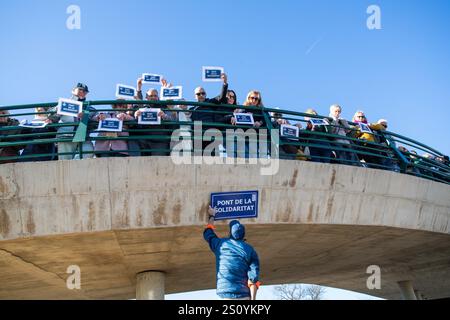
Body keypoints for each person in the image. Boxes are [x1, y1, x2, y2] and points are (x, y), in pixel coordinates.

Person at [203, 206, 260, 300]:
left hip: (225, 294)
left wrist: (212, 216)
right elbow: (253, 278)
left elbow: (208, 233)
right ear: (243, 235)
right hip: (243, 295)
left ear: (230, 233)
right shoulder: (250, 250)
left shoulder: (220, 244)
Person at [49, 82, 96, 160]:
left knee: (88, 151)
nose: (82, 92)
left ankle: (75, 165)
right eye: (80, 89)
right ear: (73, 91)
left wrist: (88, 118)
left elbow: (95, 124)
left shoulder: (90, 108)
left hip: (84, 137)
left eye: (85, 91)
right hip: (66, 135)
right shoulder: (64, 103)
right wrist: (56, 110)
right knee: (65, 160)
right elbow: (51, 117)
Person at [132, 78, 177, 156]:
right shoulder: (143, 108)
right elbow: (138, 103)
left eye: (155, 96)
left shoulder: (163, 107)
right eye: (150, 96)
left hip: (159, 141)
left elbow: (173, 120)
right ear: (146, 97)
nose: (153, 97)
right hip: (144, 140)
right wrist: (136, 115)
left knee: (160, 163)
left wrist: (164, 116)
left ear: (158, 97)